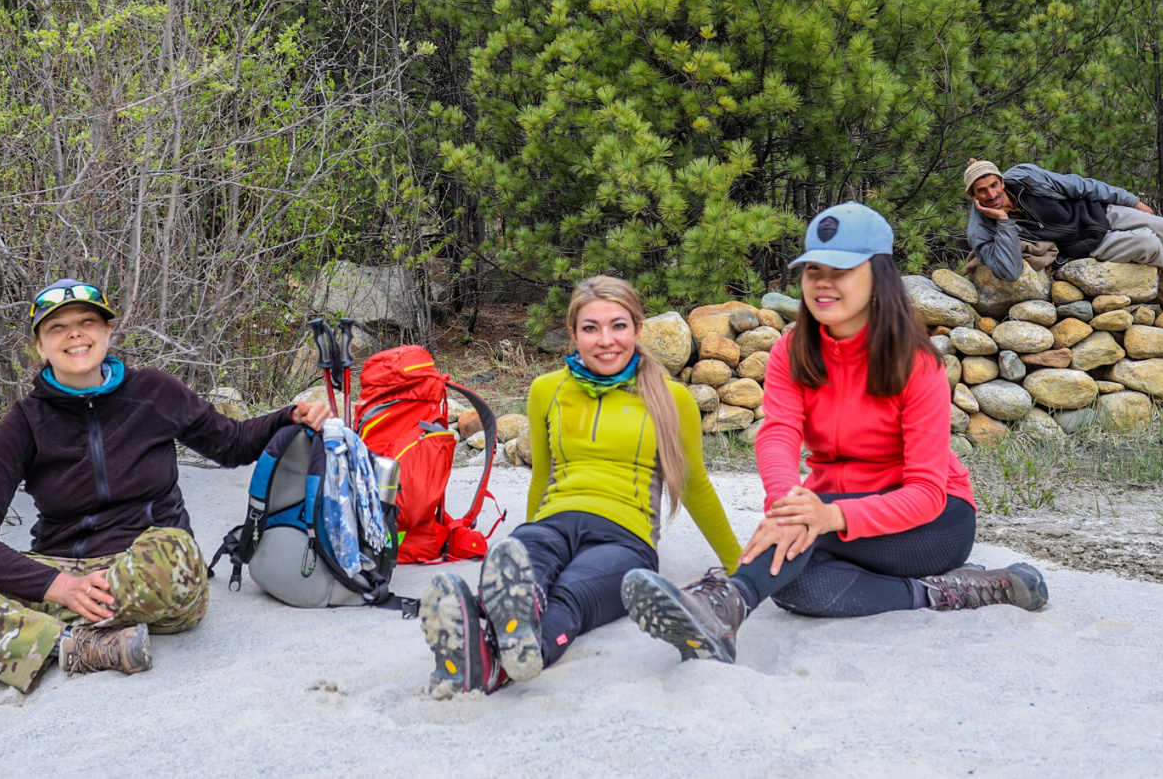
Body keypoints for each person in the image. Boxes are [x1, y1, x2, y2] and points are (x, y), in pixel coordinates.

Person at [622, 203, 1046, 664]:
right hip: (832, 514)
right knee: (795, 586)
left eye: (841, 271)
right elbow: (779, 433)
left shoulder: (916, 363)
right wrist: (787, 503)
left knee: (798, 541)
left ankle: (727, 603)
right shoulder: (792, 351)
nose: (823, 283)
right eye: (813, 270)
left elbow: (926, 493)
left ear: (878, 277)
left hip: (932, 523)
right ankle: (940, 592)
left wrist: (827, 516)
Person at [0, 279, 332, 693]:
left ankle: (0, 635)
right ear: (40, 346)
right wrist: (56, 585)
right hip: (59, 573)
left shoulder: (155, 391)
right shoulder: (25, 422)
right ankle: (71, 644)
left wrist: (289, 416)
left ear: (109, 331)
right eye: (57, 327)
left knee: (176, 555)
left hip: (147, 571)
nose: (74, 334)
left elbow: (232, 445)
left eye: (87, 322)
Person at [415, 275, 741, 696]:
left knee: (570, 596)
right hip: (552, 524)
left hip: (626, 538)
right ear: (572, 333)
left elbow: (695, 485)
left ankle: (492, 658)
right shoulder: (547, 390)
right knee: (524, 575)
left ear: (637, 328)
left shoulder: (672, 398)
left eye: (618, 326)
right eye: (591, 328)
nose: (606, 340)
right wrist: (528, 534)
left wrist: (741, 569)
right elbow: (542, 476)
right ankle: (503, 638)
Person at [963, 159, 1163, 281]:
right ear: (972, 195)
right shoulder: (981, 230)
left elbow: (1080, 185)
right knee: (1148, 243)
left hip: (1097, 213)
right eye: (982, 191)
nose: (991, 194)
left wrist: (1132, 201)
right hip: (1083, 245)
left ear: (1002, 181)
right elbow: (1010, 272)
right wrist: (1003, 220)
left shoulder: (1025, 177)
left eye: (994, 185)